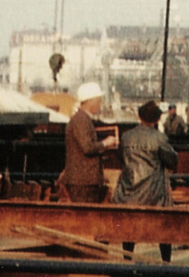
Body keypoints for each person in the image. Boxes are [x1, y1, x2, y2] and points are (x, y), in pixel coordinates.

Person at [114, 100, 179, 262]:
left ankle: (127, 261)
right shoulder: (160, 138)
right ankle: (165, 264)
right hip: (154, 194)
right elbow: (172, 160)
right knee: (163, 228)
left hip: (128, 193)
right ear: (157, 119)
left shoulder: (126, 137)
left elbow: (121, 158)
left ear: (139, 116)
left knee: (129, 230)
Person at [60, 82, 118, 203]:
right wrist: (106, 143)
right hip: (83, 181)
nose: (99, 104)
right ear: (91, 100)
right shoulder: (81, 120)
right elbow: (87, 147)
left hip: (82, 180)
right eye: (98, 101)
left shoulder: (80, 119)